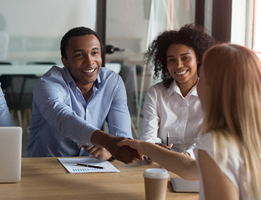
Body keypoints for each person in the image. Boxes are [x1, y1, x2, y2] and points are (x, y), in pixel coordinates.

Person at [118, 44, 261, 199]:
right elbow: (188, 168)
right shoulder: (249, 136)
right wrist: (143, 146)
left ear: (215, 87)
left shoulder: (215, 144)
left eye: (203, 76)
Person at [27, 27, 141, 163]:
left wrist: (108, 151)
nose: (89, 61)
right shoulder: (48, 84)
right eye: (79, 55)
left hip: (91, 166)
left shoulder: (112, 82)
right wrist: (107, 142)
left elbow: (122, 137)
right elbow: (63, 118)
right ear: (65, 61)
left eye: (94, 53)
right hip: (47, 167)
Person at [140, 24, 217, 157]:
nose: (179, 65)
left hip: (198, 166)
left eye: (185, 58)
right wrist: (154, 148)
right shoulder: (156, 93)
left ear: (198, 58)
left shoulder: (212, 95)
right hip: (161, 164)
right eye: (172, 60)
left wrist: (184, 157)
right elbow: (148, 136)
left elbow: (205, 140)